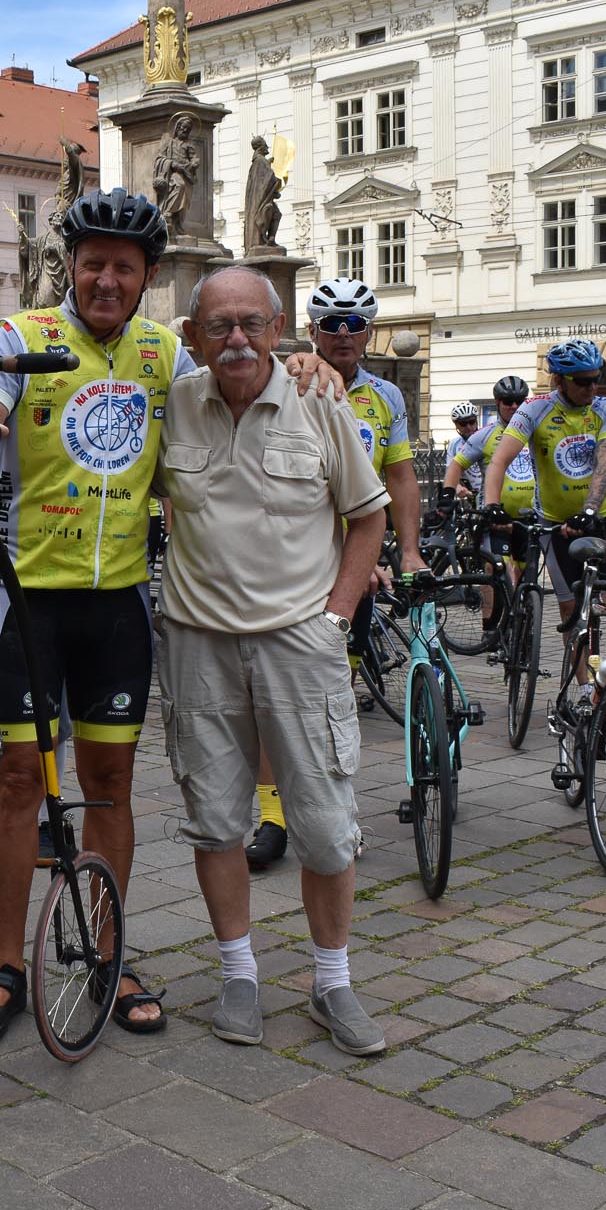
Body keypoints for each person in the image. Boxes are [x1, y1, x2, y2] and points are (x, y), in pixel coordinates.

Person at [0, 190, 342, 1044]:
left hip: (119, 605)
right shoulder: (23, 339)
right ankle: (8, 962)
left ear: (148, 276)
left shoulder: (167, 354)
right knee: (17, 781)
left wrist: (309, 361)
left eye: (125, 266)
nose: (108, 279)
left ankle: (108, 953)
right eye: (94, 263)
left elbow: (242, 375)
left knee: (112, 789)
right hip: (29, 599)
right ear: (72, 267)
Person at [158, 267, 391, 1054]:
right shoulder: (171, 407)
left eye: (253, 323)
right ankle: (239, 973)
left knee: (326, 826)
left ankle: (333, 982)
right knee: (217, 818)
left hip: (301, 642)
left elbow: (368, 519)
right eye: (219, 325)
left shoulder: (320, 401)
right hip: (198, 644)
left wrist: (337, 618)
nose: (237, 340)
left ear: (280, 325)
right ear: (192, 336)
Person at [247, 275, 424, 874]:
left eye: (354, 326)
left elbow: (397, 479)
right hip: (294, 563)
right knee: (272, 700)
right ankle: (271, 817)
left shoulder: (386, 399)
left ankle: (332, 807)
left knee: (333, 698)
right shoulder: (291, 379)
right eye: (331, 326)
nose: (343, 337)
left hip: (356, 566)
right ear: (314, 331)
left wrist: (406, 553)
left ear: (369, 333)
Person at [483, 338, 606, 668]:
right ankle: (585, 696)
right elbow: (499, 462)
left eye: (596, 378)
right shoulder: (535, 410)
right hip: (553, 524)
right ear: (559, 380)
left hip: (602, 518)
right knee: (570, 609)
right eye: (583, 381)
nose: (592, 387)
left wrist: (590, 510)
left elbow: (605, 463)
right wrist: (492, 504)